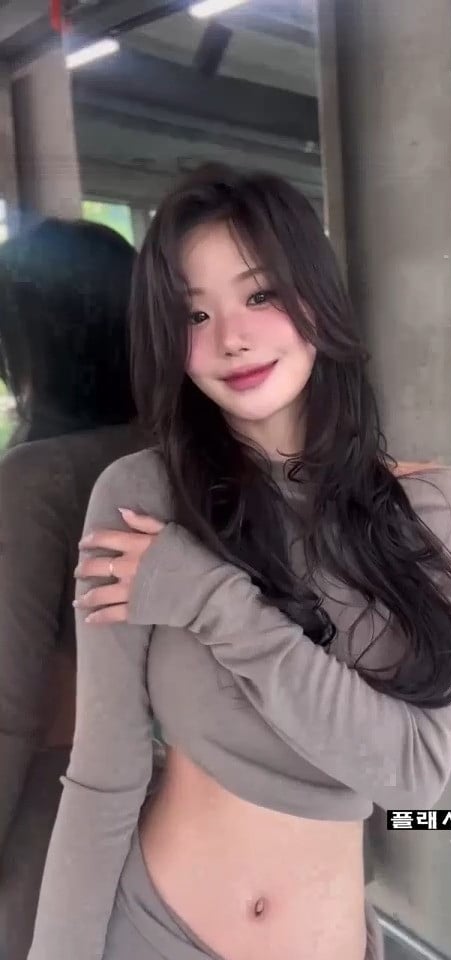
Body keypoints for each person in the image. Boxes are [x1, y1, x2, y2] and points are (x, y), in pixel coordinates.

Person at [29, 166, 451, 960]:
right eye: (194, 314)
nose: (230, 338)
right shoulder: (139, 498)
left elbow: (414, 774)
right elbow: (104, 775)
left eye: (260, 294)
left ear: (316, 297)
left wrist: (215, 600)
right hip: (149, 932)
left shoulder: (431, 507)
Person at [0, 218, 145, 960]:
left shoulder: (37, 479)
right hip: (177, 810)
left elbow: (9, 707)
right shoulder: (180, 456)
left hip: (53, 817)